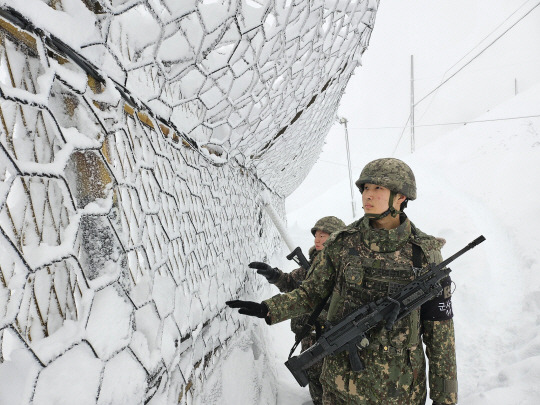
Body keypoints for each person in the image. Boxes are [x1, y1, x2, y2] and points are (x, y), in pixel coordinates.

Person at [227, 158, 457, 405]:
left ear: (401, 197)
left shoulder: (424, 253)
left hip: (399, 392)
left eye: (378, 188)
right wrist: (269, 309)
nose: (367, 195)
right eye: (365, 188)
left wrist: (445, 398)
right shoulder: (342, 243)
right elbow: (311, 294)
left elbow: (440, 333)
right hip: (340, 388)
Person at [249, 216, 345, 405]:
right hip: (308, 334)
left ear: (336, 238)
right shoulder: (311, 266)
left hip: (331, 336)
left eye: (323, 236)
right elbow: (292, 285)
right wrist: (274, 275)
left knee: (333, 383)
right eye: (316, 236)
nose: (317, 240)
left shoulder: (343, 268)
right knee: (314, 377)